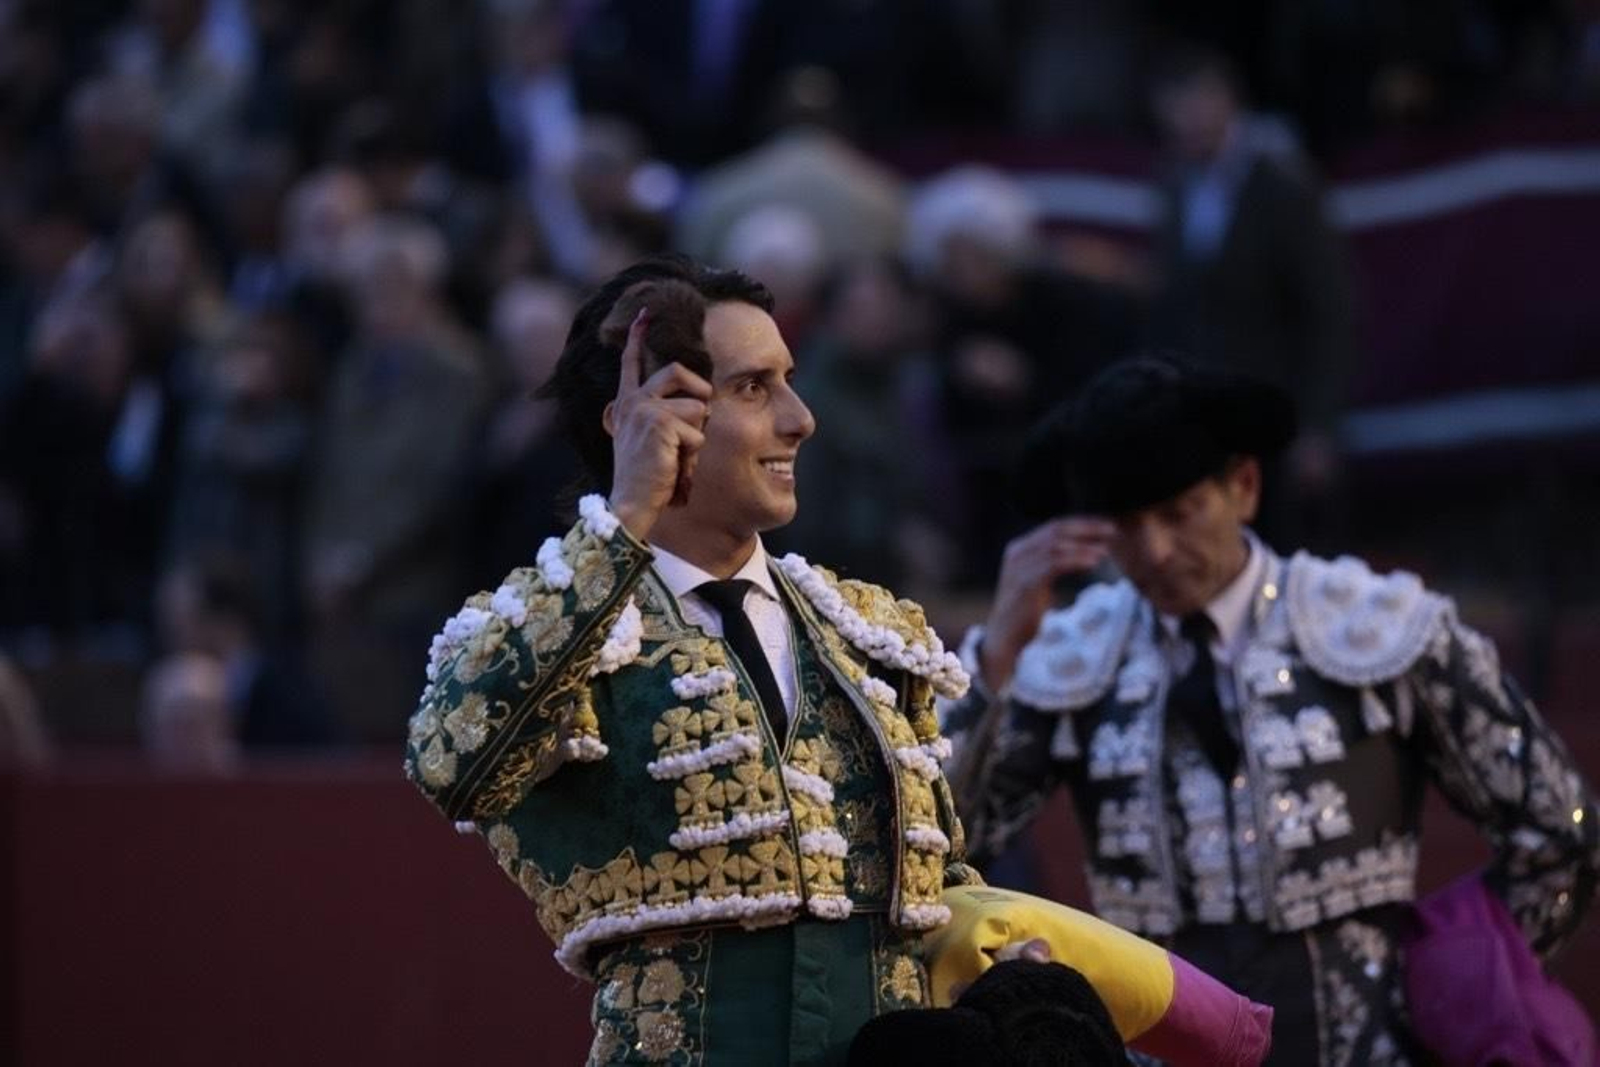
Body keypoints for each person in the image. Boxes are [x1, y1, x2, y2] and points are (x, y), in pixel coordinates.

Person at [942, 353, 1600, 1065]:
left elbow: (1560, 834)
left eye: (1179, 513)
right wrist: (1000, 653)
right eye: (1124, 527)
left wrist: (1459, 977)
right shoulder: (1066, 657)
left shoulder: (1378, 628)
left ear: (1245, 488)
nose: (1155, 550)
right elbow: (942, 840)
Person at [403, 254, 980, 1064]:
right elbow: (453, 764)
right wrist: (629, 513)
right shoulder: (553, 625)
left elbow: (940, 887)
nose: (800, 417)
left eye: (789, 379)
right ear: (635, 418)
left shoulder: (866, 633)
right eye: (753, 388)